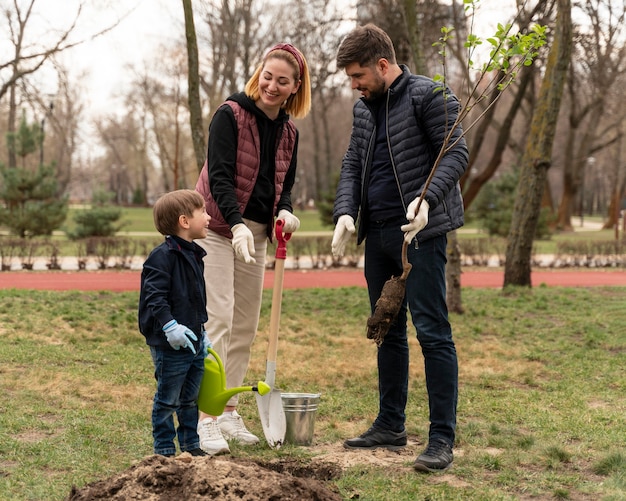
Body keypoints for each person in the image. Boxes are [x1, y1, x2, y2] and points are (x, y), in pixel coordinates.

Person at [331, 24, 468, 472]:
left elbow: (457, 153)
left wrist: (428, 200)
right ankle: (390, 424)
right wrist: (346, 212)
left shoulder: (431, 96)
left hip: (421, 234)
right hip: (380, 234)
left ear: (383, 65)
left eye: (357, 75)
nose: (353, 84)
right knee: (386, 329)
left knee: (432, 333)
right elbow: (353, 161)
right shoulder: (364, 109)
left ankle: (441, 439)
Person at [194, 43, 311, 454]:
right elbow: (221, 178)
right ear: (258, 73)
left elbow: (284, 186)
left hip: (257, 233)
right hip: (217, 227)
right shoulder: (230, 115)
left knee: (245, 325)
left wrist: (285, 212)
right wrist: (237, 224)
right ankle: (204, 419)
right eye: (267, 76)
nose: (272, 86)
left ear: (296, 87)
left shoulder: (290, 132)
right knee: (219, 319)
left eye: (282, 81)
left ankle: (228, 410)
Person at [138, 189, 212, 458]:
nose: (208, 217)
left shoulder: (195, 254)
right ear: (184, 221)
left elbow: (194, 299)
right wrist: (170, 326)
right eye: (202, 212)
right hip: (170, 343)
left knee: (190, 399)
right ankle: (165, 449)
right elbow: (154, 297)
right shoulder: (162, 257)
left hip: (193, 340)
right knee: (168, 398)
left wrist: (202, 332)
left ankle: (191, 445)